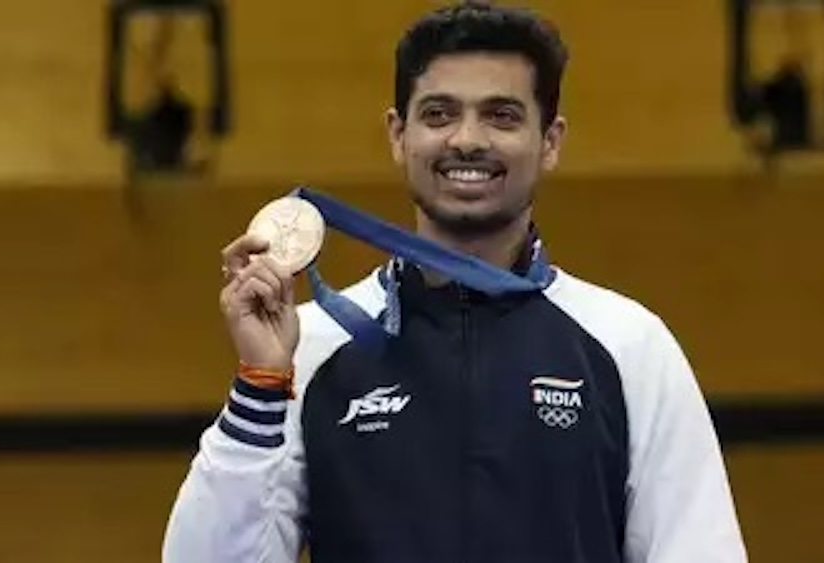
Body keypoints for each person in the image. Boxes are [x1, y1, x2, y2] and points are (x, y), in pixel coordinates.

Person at [161, 2, 748, 562]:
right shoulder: (309, 348)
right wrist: (261, 386)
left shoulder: (629, 346)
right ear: (399, 135)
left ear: (550, 142)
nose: (467, 139)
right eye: (439, 114)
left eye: (502, 116)